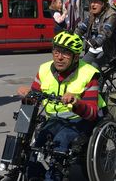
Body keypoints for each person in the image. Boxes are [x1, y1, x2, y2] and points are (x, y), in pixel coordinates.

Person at [17, 31, 105, 180]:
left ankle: (53, 177)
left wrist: (76, 103)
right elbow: (35, 99)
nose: (59, 57)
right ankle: (33, 176)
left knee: (61, 142)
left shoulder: (89, 74)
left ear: (76, 57)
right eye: (56, 51)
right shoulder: (44, 69)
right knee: (37, 145)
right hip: (56, 118)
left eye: (65, 53)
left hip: (82, 119)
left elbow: (92, 114)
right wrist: (28, 97)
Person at [74, 0, 116, 69]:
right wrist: (73, 36)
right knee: (80, 66)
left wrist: (97, 42)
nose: (92, 4)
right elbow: (82, 28)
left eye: (96, 2)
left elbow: (105, 32)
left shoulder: (111, 15)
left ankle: (99, 82)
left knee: (94, 68)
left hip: (107, 49)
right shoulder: (91, 14)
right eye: (91, 1)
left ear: (103, 3)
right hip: (93, 49)